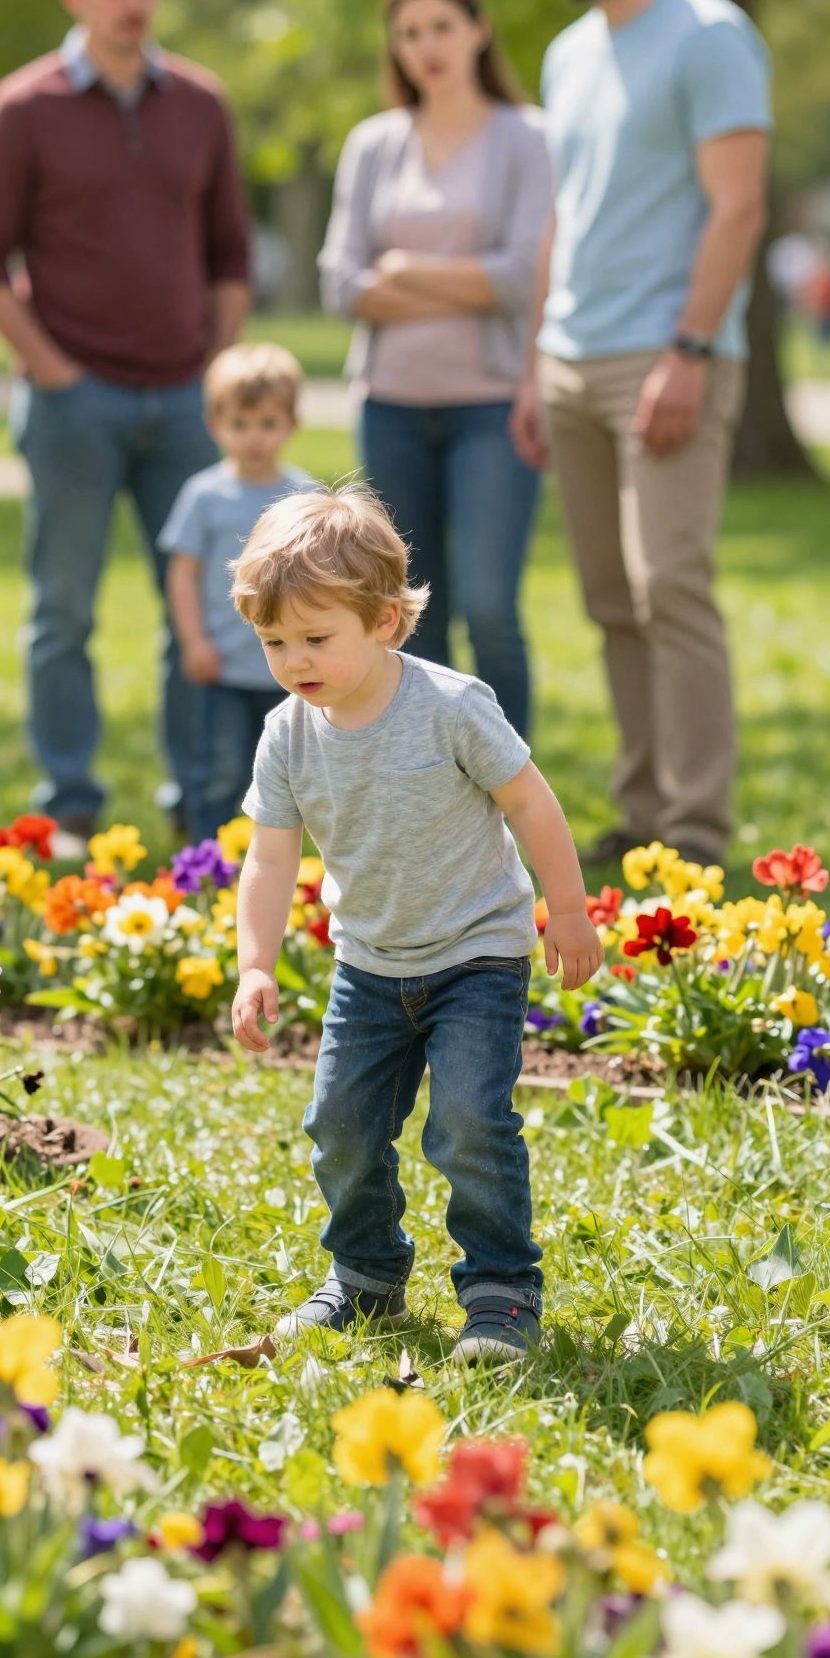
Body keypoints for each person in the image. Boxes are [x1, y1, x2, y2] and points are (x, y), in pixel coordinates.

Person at [229, 486, 603, 1363]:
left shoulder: (450, 706)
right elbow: (271, 859)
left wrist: (568, 911)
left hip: (477, 955)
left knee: (468, 1122)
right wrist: (254, 964)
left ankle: (501, 1290)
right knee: (340, 1126)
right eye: (274, 642)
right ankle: (365, 1275)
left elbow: (531, 803)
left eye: (315, 638)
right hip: (369, 964)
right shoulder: (287, 734)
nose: (294, 660)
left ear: (386, 621)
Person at [0, 0, 250, 859]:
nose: (133, 3)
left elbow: (231, 253)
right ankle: (69, 806)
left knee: (205, 612)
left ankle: (203, 804)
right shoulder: (23, 107)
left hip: (187, 403)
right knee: (63, 612)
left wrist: (219, 369)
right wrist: (52, 370)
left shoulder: (201, 103)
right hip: (72, 405)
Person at [510, 0, 772, 867]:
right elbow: (563, 216)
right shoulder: (568, 53)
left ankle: (697, 830)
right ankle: (644, 810)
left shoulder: (709, 35)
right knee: (610, 599)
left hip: (664, 355)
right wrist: (536, 362)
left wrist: (691, 350)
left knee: (672, 587)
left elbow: (738, 206)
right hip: (571, 358)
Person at [319, 0, 552, 740]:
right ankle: (428, 783)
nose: (428, 46)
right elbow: (340, 283)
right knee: (410, 614)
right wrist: (461, 281)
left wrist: (403, 272)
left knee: (489, 607)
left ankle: (512, 782)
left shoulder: (526, 138)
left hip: (492, 408)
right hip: (390, 407)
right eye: (410, 31)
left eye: (442, 26)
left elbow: (520, 278)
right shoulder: (374, 144)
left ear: (479, 30)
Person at [159, 342, 312, 842]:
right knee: (221, 769)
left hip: (291, 666)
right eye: (240, 424)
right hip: (223, 666)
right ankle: (210, 861)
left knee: (291, 771)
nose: (254, 438)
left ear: (291, 424)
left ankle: (285, 861)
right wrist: (194, 642)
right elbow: (183, 574)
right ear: (215, 426)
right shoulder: (204, 495)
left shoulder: (303, 497)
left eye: (267, 423)